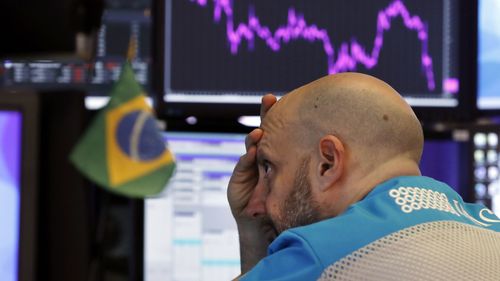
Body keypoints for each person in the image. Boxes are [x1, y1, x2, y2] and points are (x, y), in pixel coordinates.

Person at [227, 72, 500, 280]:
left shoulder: (321, 254)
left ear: (328, 163)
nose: (258, 203)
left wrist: (253, 235)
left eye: (269, 169)